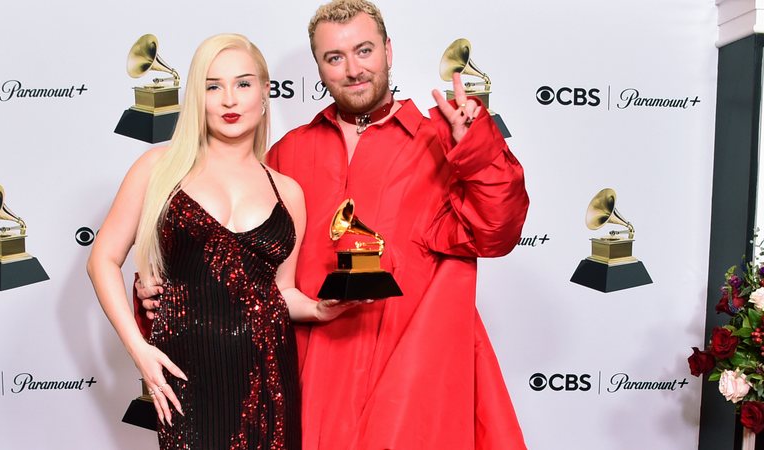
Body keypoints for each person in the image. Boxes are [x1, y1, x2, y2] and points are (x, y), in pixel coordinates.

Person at [139, 1, 530, 448]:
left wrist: (473, 150)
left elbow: (496, 231)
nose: (353, 70)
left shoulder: (438, 142)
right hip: (309, 378)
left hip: (410, 377)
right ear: (319, 69)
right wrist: (162, 292)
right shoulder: (287, 154)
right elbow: (238, 267)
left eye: (364, 51)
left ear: (388, 50)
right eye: (334, 58)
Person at [87, 33, 355, 450]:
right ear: (198, 96)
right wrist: (139, 350)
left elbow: (281, 291)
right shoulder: (159, 167)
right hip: (186, 372)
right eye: (214, 86)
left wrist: (319, 309)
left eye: (243, 84)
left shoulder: (288, 191)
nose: (230, 99)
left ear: (266, 92)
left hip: (268, 375)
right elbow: (102, 259)